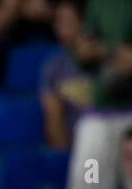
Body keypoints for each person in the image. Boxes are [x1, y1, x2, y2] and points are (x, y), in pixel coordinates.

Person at [39, 0, 94, 151]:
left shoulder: (105, 59)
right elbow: (53, 117)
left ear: (85, 24)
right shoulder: (54, 67)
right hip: (75, 148)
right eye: (57, 22)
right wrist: (64, 158)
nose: (58, 28)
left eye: (66, 22)